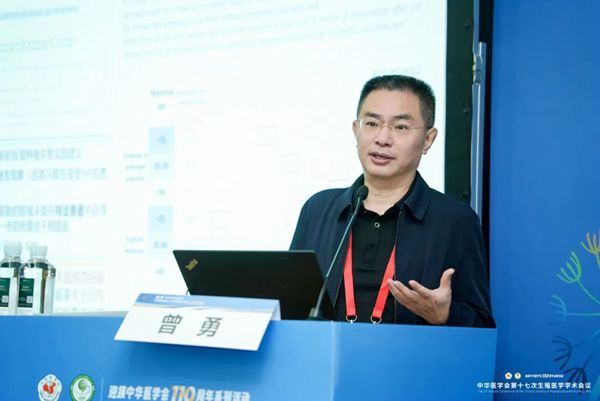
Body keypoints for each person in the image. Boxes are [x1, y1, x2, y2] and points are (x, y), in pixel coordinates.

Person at [290, 75, 494, 327]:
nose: (383, 138)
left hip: (410, 354)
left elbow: (482, 325)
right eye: (372, 123)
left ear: (428, 140)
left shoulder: (455, 221)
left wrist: (444, 315)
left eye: (401, 127)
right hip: (325, 353)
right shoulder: (318, 209)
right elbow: (289, 304)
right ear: (356, 130)